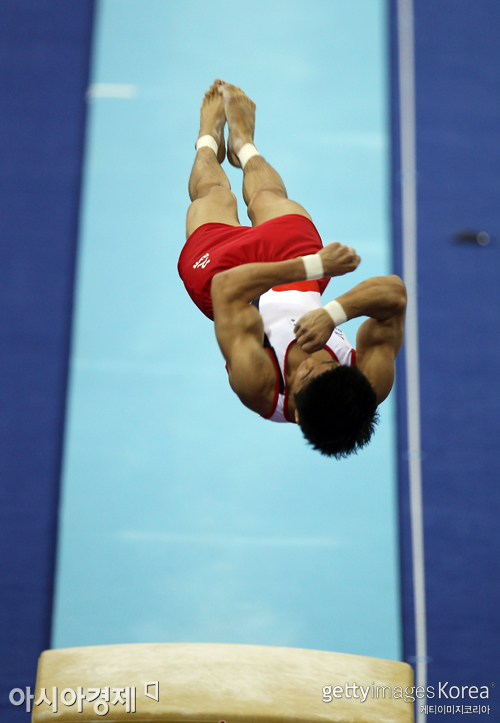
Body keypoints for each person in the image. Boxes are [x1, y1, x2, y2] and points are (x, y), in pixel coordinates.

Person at [178, 80, 407, 458]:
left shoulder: (259, 385)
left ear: (297, 413)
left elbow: (227, 288)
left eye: (306, 375)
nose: (311, 361)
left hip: (231, 287)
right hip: (300, 284)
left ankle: (207, 139)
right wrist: (333, 313)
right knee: (271, 198)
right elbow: (394, 294)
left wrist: (315, 265)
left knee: (214, 196)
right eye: (326, 367)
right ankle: (243, 145)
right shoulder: (369, 383)